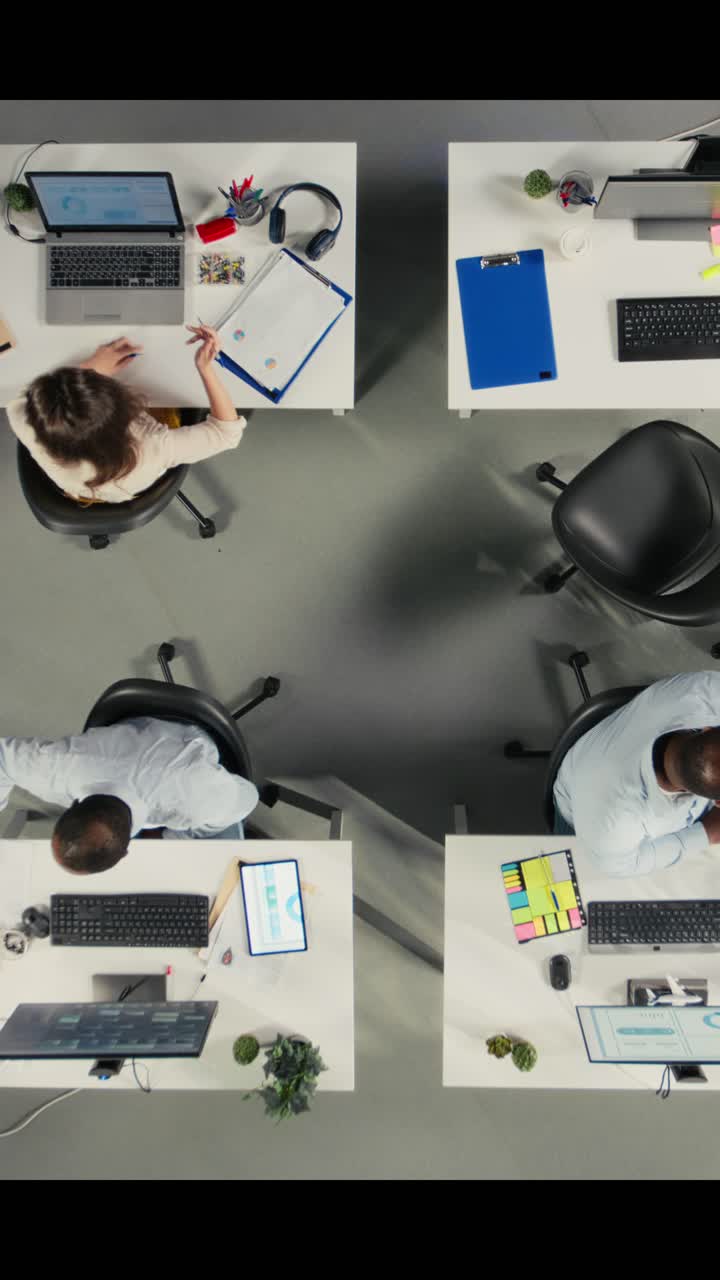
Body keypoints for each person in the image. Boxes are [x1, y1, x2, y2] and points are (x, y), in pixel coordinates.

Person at [6, 324, 246, 503]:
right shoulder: (153, 446)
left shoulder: (22, 415)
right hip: (123, 486)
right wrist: (205, 368)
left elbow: (32, 395)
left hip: (76, 487)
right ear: (118, 410)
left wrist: (89, 370)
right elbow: (227, 434)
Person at [0, 718, 259, 875]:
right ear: (73, 807)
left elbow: (247, 797)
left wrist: (174, 836)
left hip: (186, 741)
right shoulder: (55, 767)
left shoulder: (194, 797)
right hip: (134, 740)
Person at [552, 671, 720, 876]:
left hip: (611, 750)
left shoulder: (706, 691)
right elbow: (622, 865)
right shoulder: (613, 825)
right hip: (585, 823)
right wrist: (707, 833)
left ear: (706, 728)